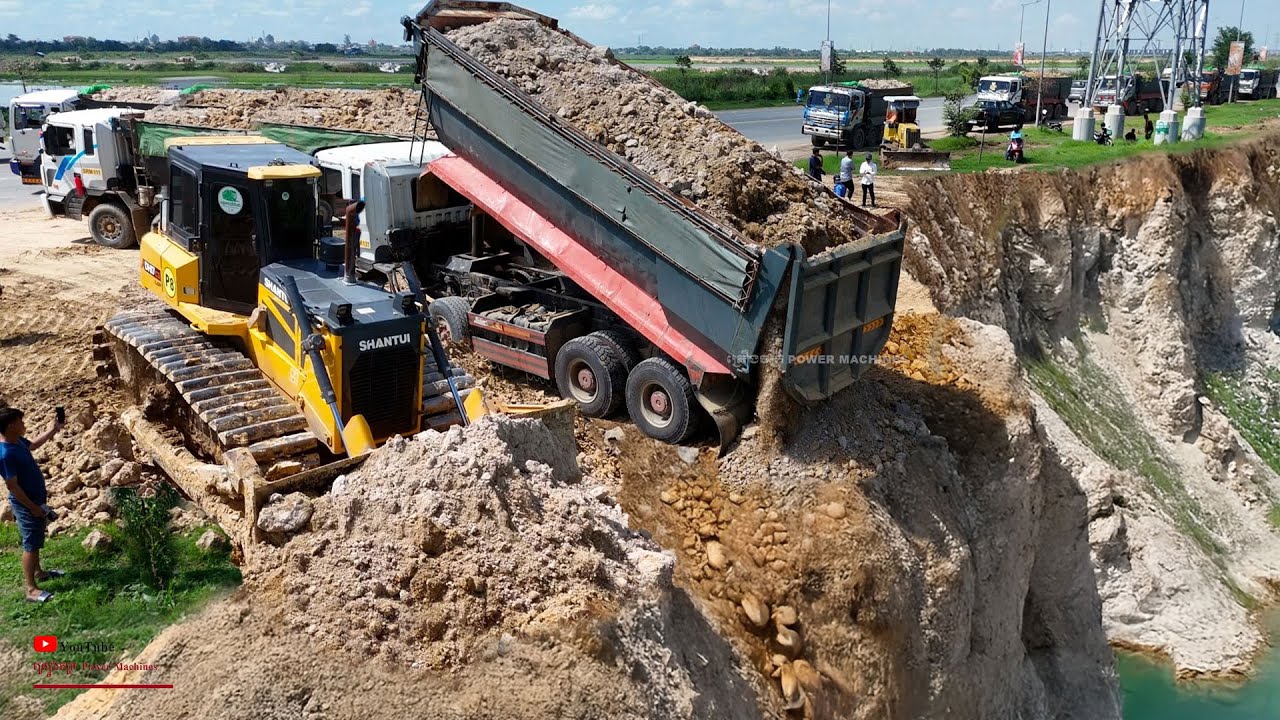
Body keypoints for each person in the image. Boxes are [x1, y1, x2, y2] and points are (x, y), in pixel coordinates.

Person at [2, 407, 66, 603]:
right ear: (12, 425)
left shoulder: (17, 441)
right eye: (21, 422)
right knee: (30, 544)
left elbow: (34, 445)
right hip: (26, 503)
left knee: (36, 538)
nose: (24, 425)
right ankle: (31, 589)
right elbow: (12, 486)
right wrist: (32, 507)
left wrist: (54, 429)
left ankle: (39, 572)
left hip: (35, 500)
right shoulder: (5, 454)